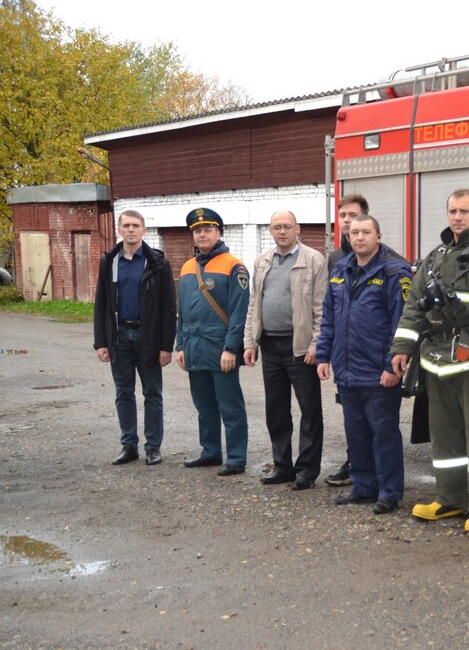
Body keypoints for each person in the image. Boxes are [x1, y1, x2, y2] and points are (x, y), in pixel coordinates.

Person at [392, 189, 469, 534]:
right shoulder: (435, 257)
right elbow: (414, 306)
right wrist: (402, 347)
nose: (457, 217)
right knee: (444, 438)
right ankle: (450, 498)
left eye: (464, 211)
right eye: (452, 211)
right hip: (437, 362)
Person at [317, 215, 411, 513]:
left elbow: (401, 324)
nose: (359, 237)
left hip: (379, 372)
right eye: (354, 232)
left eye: (366, 232)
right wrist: (323, 355)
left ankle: (389, 492)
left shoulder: (395, 272)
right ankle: (363, 486)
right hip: (347, 370)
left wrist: (391, 367)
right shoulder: (340, 270)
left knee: (384, 434)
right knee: (356, 433)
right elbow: (329, 318)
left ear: (378, 236)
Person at [243, 210, 328, 490]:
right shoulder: (262, 261)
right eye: (277, 227)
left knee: (309, 411)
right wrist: (250, 342)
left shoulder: (314, 260)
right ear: (270, 230)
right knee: (276, 410)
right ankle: (283, 466)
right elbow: (254, 304)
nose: (282, 232)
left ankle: (306, 470)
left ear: (297, 229)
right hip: (270, 345)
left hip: (301, 348)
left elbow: (320, 307)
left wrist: (316, 345)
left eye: (287, 227)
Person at [93, 210, 176, 466]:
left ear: (144, 231)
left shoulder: (157, 263)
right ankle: (129, 446)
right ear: (119, 229)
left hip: (147, 337)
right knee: (123, 393)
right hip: (119, 336)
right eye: (126, 225)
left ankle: (153, 447)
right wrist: (101, 341)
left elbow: (168, 308)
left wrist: (165, 346)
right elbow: (102, 303)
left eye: (135, 226)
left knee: (152, 393)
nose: (131, 230)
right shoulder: (110, 261)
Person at [176, 208, 250, 476]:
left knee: (230, 406)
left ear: (219, 232)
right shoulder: (187, 268)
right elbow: (182, 311)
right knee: (204, 405)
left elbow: (239, 314)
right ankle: (210, 451)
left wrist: (232, 348)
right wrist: (180, 346)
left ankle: (237, 457)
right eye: (197, 230)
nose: (202, 234)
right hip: (195, 349)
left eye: (208, 229)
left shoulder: (234, 266)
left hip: (221, 350)